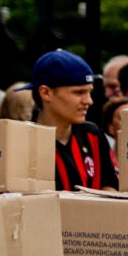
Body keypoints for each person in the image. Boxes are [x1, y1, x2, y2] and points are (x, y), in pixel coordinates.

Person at [32, 49, 116, 191]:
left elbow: (111, 185)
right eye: (79, 92)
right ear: (45, 93)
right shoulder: (23, 143)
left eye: (89, 92)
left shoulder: (93, 135)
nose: (89, 101)